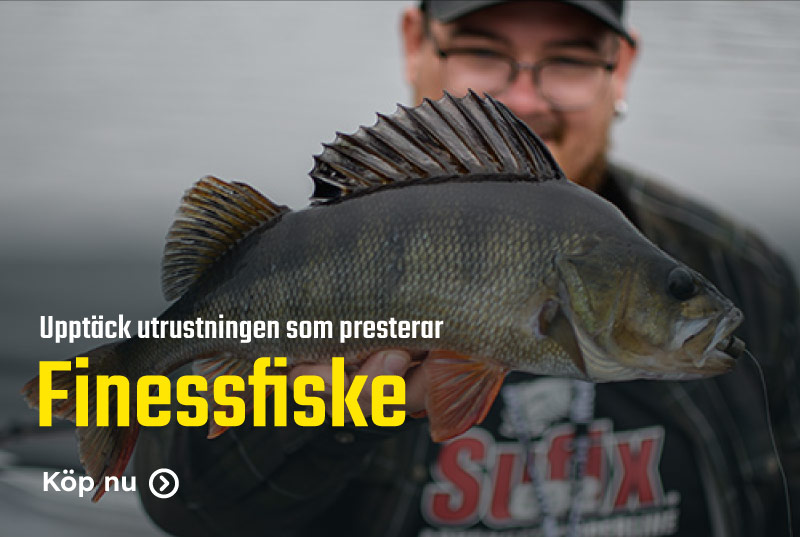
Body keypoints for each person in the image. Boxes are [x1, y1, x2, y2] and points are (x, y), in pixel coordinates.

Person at [135, 2, 800, 535]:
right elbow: (185, 504)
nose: (524, 98)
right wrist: (308, 422)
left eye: (568, 60)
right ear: (415, 43)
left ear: (620, 68)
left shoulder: (748, 273)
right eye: (483, 51)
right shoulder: (309, 247)